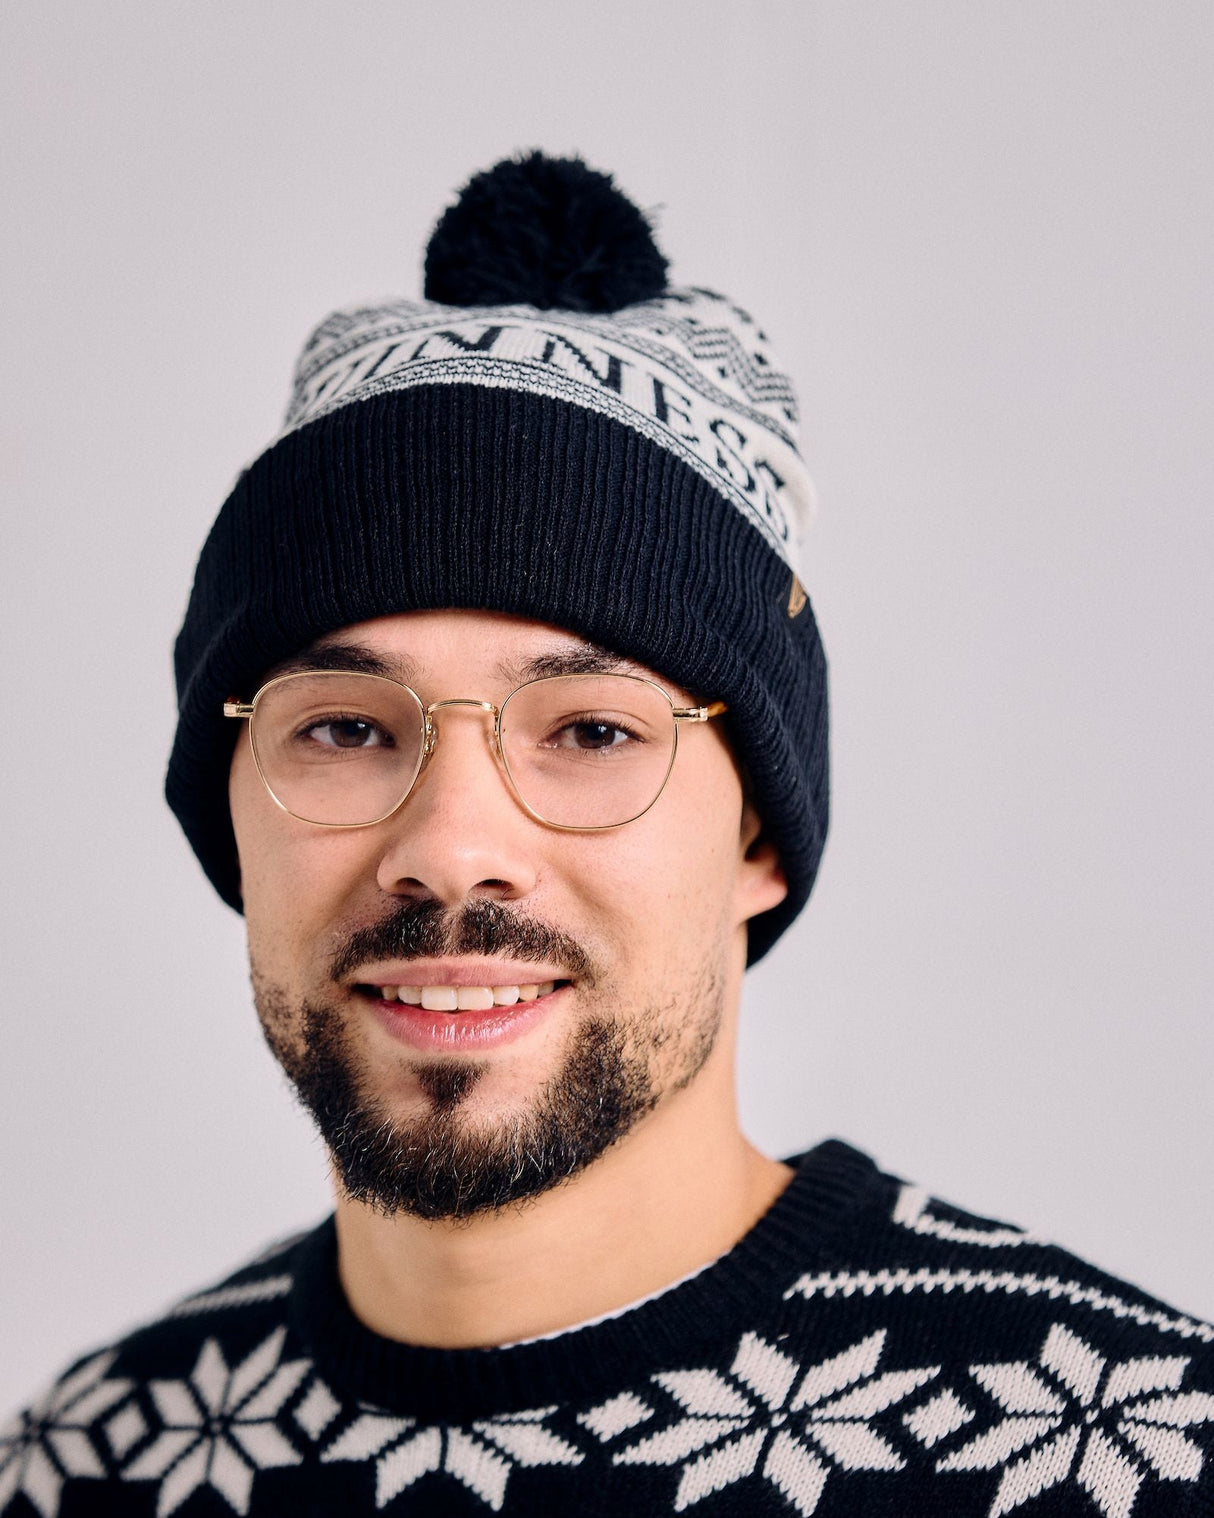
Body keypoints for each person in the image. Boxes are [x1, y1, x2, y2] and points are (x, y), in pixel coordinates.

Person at [2, 152, 1210, 1518]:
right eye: (345, 729)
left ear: (757, 828)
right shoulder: (89, 1465)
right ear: (228, 810)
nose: (452, 845)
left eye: (589, 731)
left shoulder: (1126, 1458)